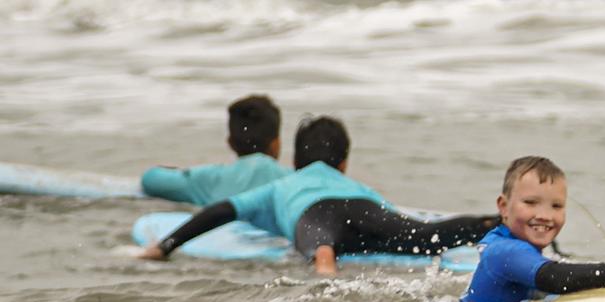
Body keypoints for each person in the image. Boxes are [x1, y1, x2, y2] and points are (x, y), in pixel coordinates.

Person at [139, 116, 497, 275]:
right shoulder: (356, 186)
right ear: (343, 163)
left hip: (315, 215)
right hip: (364, 209)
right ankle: (493, 222)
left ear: (295, 161)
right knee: (425, 236)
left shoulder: (281, 186)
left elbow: (223, 210)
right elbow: (388, 214)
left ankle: (325, 267)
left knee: (321, 246)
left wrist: (166, 245)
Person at [461, 156, 605, 302]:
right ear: (503, 206)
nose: (545, 216)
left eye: (556, 206)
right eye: (530, 202)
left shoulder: (517, 247)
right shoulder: (504, 251)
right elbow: (556, 278)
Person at [141, 94, 290, 204]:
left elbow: (150, 179)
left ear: (230, 143)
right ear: (275, 144)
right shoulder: (292, 179)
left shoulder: (208, 178)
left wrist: (178, 172)